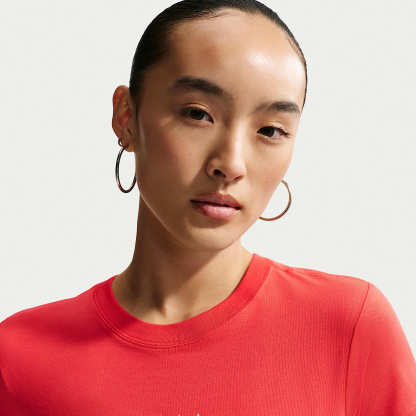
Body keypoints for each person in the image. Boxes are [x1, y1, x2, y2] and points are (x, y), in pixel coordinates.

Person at [1, 0, 415, 414]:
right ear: (126, 117)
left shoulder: (349, 328)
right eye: (198, 114)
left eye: (271, 130)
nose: (231, 164)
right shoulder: (19, 358)